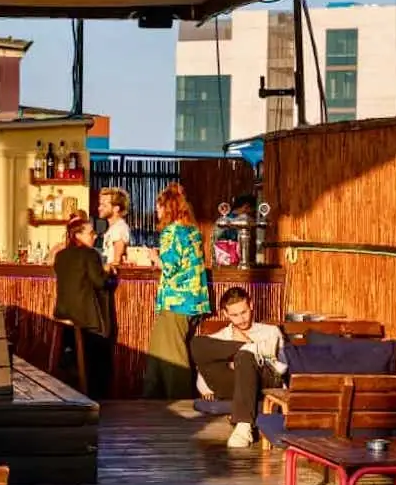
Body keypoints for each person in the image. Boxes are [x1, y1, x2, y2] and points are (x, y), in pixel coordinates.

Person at [191, 287, 287, 448]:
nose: (241, 319)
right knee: (197, 344)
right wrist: (205, 389)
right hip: (235, 385)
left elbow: (282, 368)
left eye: (244, 312)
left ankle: (244, 427)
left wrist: (250, 359)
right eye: (234, 315)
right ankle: (249, 347)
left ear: (251, 305)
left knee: (244, 357)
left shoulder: (270, 332)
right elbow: (204, 368)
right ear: (226, 314)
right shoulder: (223, 336)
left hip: (266, 383)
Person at [142, 183, 210, 399]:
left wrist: (153, 257)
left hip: (176, 302)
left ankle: (180, 403)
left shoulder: (171, 232)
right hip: (195, 302)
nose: (157, 211)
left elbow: (169, 266)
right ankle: (151, 399)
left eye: (159, 207)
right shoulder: (193, 232)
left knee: (172, 356)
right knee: (158, 353)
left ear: (168, 208)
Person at [52, 216, 113, 398]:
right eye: (91, 233)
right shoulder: (90, 254)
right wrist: (109, 273)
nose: (94, 236)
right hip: (85, 318)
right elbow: (100, 282)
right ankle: (95, 394)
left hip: (63, 314)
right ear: (77, 234)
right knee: (100, 352)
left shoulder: (60, 255)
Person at [98, 187, 132, 267]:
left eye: (104, 205)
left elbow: (117, 260)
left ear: (116, 208)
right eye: (100, 204)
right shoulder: (113, 228)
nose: (99, 208)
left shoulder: (119, 228)